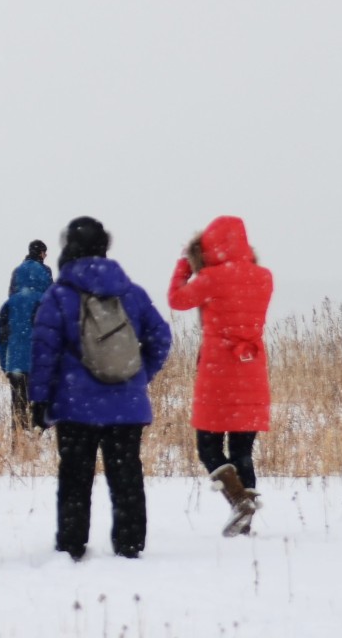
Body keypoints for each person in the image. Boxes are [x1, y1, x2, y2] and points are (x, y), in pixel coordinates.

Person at [28, 216, 172, 561]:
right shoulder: (131, 292)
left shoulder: (59, 296)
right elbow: (161, 338)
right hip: (127, 405)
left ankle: (72, 543)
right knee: (126, 475)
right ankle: (130, 543)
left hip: (75, 405)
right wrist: (138, 377)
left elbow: (43, 351)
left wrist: (39, 398)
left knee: (75, 476)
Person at [168, 216, 273, 537]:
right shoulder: (264, 277)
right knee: (243, 450)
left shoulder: (211, 278)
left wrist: (185, 266)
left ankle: (239, 501)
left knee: (207, 446)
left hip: (217, 371)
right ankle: (245, 519)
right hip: (251, 367)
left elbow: (177, 300)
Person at [0, 240, 53, 429]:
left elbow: (1, 338)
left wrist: (7, 365)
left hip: (17, 363)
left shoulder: (10, 304)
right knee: (43, 408)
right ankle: (35, 441)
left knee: (18, 408)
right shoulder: (48, 304)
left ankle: (19, 449)